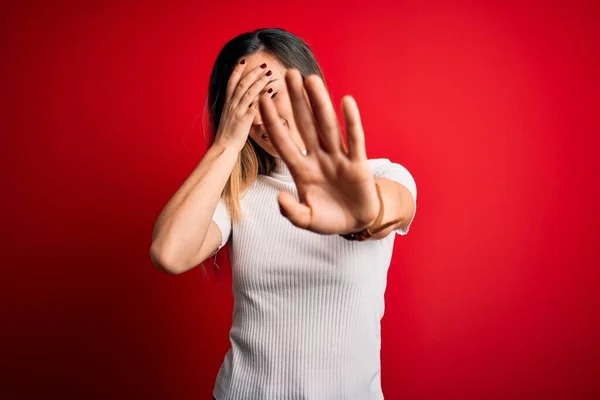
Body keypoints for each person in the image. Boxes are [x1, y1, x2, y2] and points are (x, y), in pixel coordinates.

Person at [150, 28, 417, 400]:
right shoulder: (239, 196)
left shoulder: (380, 175)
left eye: (271, 93)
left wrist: (364, 215)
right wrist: (227, 141)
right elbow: (169, 252)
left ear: (309, 86)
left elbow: (394, 207)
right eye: (244, 102)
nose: (261, 119)